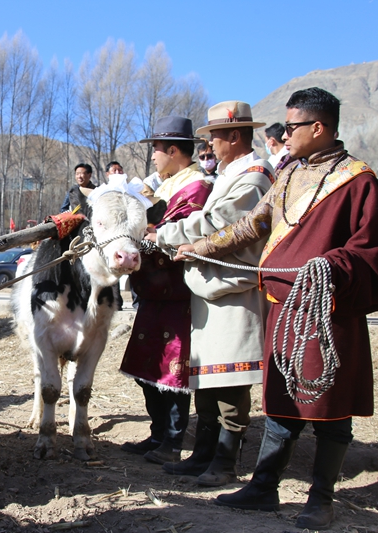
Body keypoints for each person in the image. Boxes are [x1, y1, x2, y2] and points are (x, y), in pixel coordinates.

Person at [175, 88, 378, 530]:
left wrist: (330, 265)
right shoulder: (289, 173)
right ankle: (264, 487)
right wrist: (199, 246)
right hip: (281, 308)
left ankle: (321, 499)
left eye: (293, 126)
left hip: (327, 313)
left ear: (319, 128)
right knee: (281, 406)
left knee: (329, 408)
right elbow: (253, 224)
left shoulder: (359, 182)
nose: (284, 134)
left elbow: (373, 252)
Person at [152, 101, 273, 487]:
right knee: (206, 379)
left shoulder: (253, 178)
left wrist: (165, 236)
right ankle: (204, 454)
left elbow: (218, 222)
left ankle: (224, 462)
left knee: (230, 381)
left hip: (233, 291)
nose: (210, 146)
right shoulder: (230, 174)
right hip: (212, 287)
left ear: (234, 137)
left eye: (215, 137)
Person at [119, 116, 214, 465]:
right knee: (148, 367)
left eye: (156, 150)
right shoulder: (168, 185)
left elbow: (179, 234)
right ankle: (159, 434)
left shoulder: (197, 188)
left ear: (173, 150)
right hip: (155, 291)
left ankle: (172, 442)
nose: (154, 158)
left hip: (176, 293)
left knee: (173, 370)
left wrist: (149, 228)